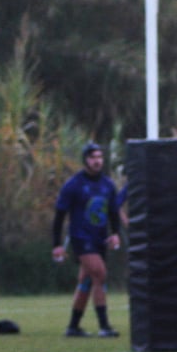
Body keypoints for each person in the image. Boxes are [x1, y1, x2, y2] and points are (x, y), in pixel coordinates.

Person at [51, 142, 123, 338]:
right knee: (100, 273)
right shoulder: (74, 185)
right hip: (81, 239)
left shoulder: (108, 185)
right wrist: (57, 244)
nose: (97, 161)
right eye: (93, 157)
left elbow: (114, 212)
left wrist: (116, 232)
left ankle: (73, 327)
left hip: (100, 239)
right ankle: (104, 326)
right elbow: (59, 216)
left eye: (99, 157)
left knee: (86, 282)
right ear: (85, 160)